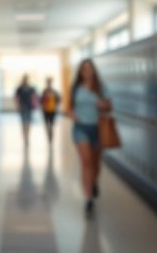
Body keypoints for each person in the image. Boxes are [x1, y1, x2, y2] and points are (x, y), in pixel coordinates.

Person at [67, 59, 112, 218]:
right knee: (86, 162)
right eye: (83, 69)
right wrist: (71, 113)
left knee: (95, 164)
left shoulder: (101, 88)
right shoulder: (75, 88)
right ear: (80, 71)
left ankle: (94, 183)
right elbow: (69, 108)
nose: (86, 71)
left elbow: (109, 106)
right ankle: (88, 199)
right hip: (80, 129)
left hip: (97, 128)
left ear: (93, 70)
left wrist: (103, 105)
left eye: (89, 69)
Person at [14, 75, 37, 147]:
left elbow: (35, 97)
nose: (26, 81)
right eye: (25, 79)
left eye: (27, 79)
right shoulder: (19, 89)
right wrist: (17, 106)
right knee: (23, 123)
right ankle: (25, 137)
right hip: (22, 108)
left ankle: (27, 136)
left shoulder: (31, 88)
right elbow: (16, 98)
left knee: (28, 123)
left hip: (29, 108)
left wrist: (35, 104)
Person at [40, 77, 61, 143]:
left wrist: (56, 106)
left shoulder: (54, 92)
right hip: (45, 110)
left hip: (52, 110)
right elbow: (41, 101)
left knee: (51, 124)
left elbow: (58, 100)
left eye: (50, 82)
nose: (49, 84)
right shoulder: (44, 91)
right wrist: (42, 106)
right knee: (46, 124)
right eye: (48, 82)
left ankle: (51, 135)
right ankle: (48, 134)